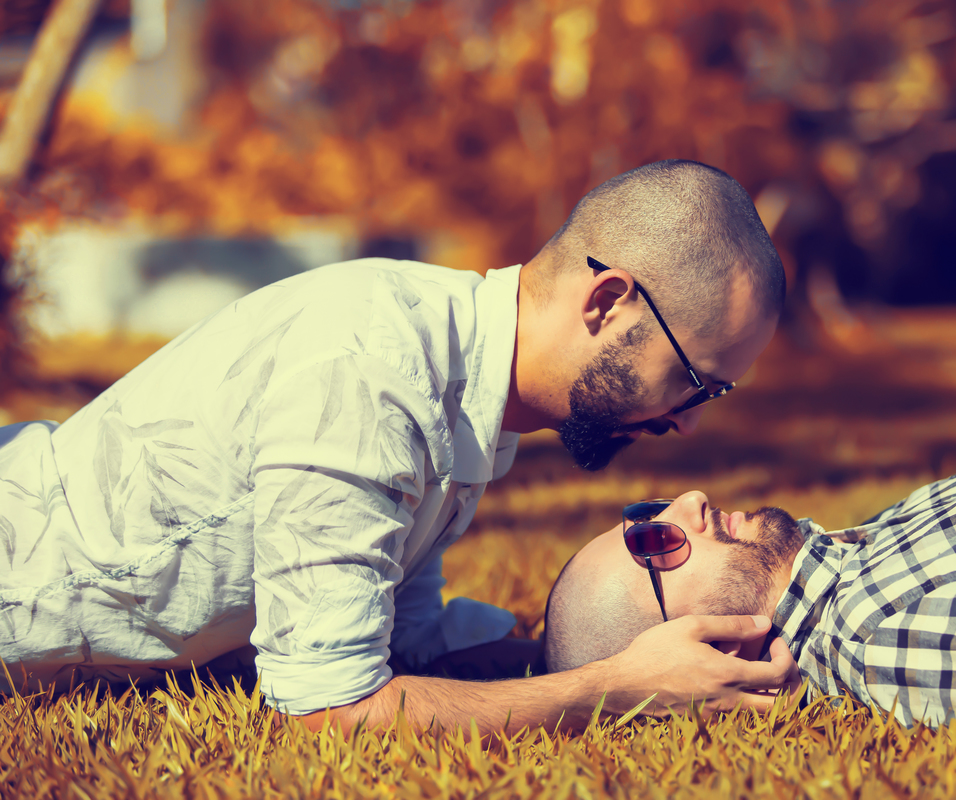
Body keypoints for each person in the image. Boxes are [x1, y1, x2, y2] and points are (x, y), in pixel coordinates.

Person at [0, 159, 799, 734]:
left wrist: (633, 654)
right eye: (696, 378)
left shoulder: (465, 383)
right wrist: (620, 689)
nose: (692, 421)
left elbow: (399, 646)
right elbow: (329, 709)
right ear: (608, 302)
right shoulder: (376, 373)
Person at [544, 429, 956, 744]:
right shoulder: (888, 634)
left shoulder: (860, 550)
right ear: (692, 653)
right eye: (651, 543)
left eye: (645, 514)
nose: (688, 501)